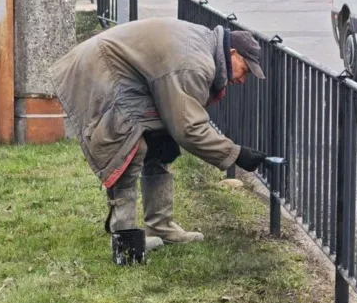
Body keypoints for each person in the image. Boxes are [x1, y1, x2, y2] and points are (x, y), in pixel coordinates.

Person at [51, 18, 269, 251]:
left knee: (161, 144)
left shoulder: (203, 48)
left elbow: (178, 118)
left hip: (114, 68)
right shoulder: (195, 64)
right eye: (244, 70)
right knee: (129, 145)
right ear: (232, 52)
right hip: (99, 69)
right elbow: (189, 128)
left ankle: (160, 226)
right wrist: (236, 154)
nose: (243, 80)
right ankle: (125, 237)